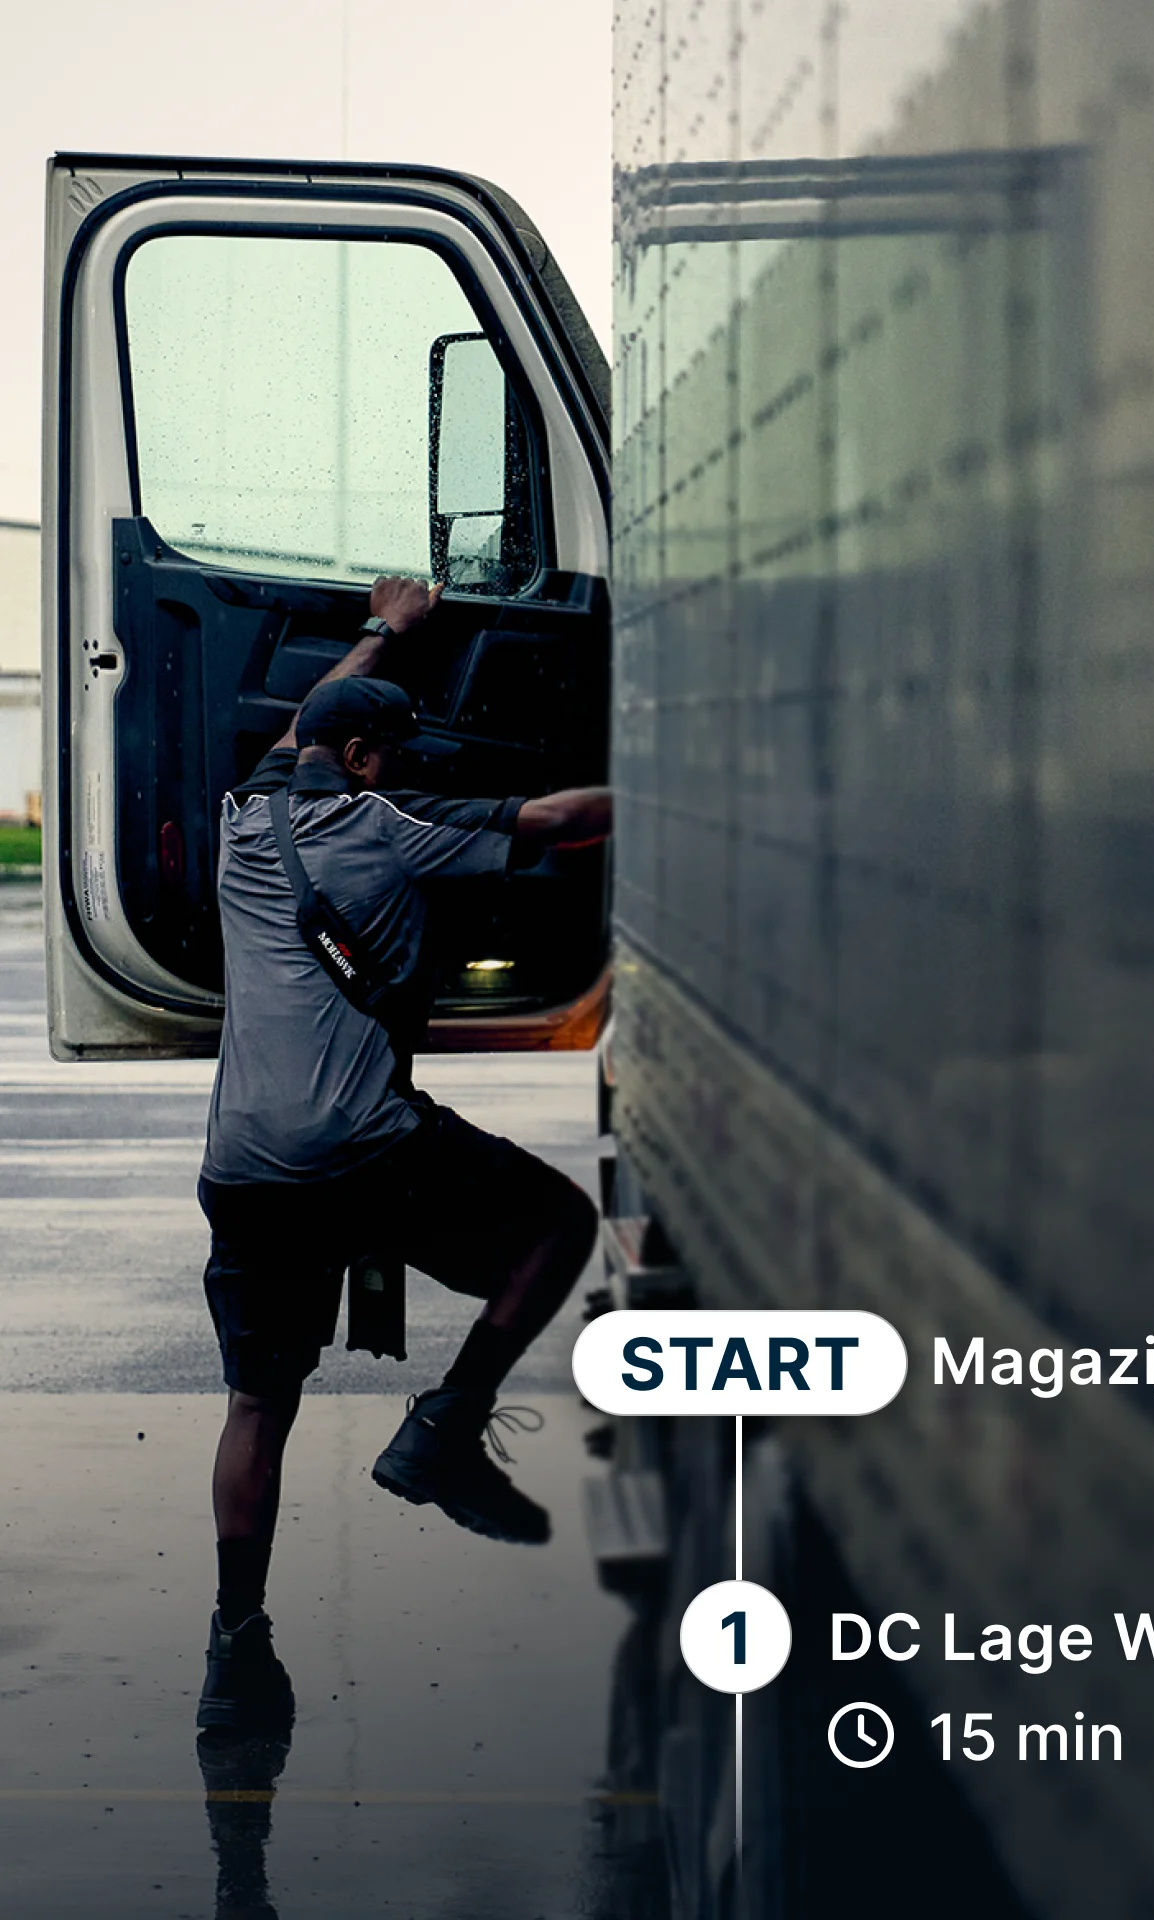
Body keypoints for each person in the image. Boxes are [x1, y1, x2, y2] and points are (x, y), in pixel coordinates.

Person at [194, 576, 611, 1731]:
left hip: (243, 1168)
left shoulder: (247, 813)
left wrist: (386, 630)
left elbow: (307, 720)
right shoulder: (386, 826)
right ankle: (443, 1425)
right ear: (370, 758)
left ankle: (235, 1639)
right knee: (558, 1223)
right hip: (365, 1150)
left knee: (255, 1408)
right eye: (395, 750)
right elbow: (558, 821)